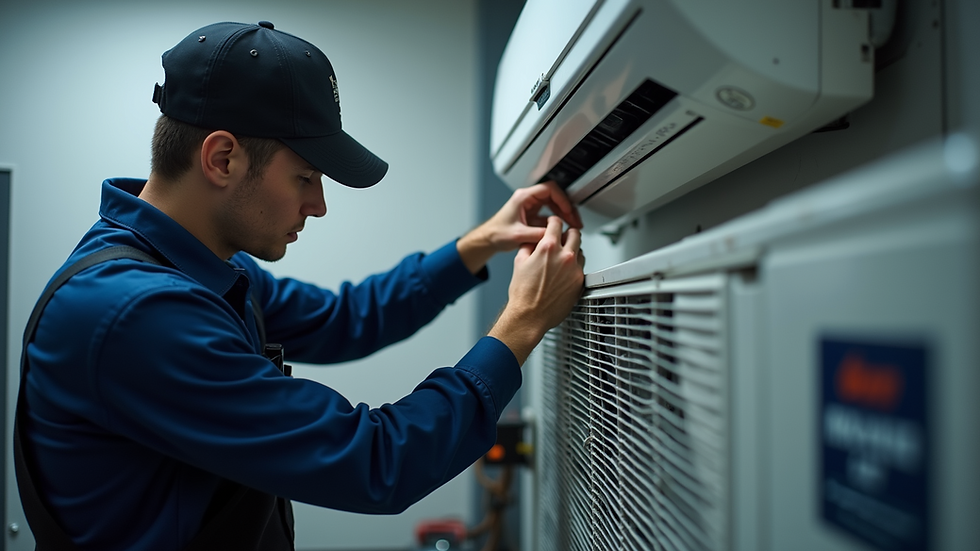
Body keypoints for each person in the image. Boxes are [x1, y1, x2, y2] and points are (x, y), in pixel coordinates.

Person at [14, 20, 584, 551]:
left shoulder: (199, 269)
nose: (319, 205)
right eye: (306, 177)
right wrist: (521, 323)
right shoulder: (136, 313)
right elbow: (376, 462)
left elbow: (344, 319)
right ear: (222, 159)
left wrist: (479, 243)